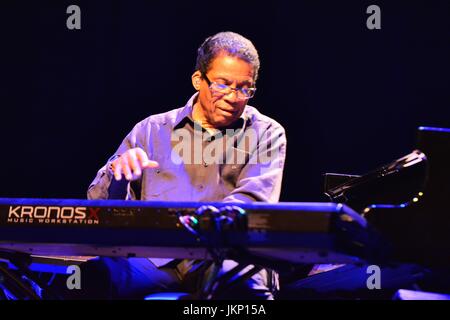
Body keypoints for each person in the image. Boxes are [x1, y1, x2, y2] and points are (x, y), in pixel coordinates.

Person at [79, 31, 287, 300]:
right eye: (223, 85)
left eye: (244, 88)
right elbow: (96, 204)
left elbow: (253, 201)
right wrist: (118, 172)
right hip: (153, 259)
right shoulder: (151, 129)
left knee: (244, 286)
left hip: (225, 259)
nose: (234, 97)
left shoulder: (266, 132)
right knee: (93, 276)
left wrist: (190, 227)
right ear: (198, 80)